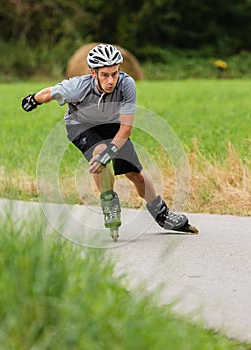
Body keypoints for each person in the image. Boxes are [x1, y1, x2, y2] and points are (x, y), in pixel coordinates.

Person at [22, 43, 197, 237]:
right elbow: (49, 93)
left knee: (135, 174)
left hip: (114, 126)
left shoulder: (127, 84)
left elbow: (126, 128)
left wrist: (111, 152)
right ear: (93, 73)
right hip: (81, 125)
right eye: (105, 75)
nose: (111, 80)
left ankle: (162, 214)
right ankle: (109, 202)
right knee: (99, 151)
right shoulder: (76, 88)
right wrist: (33, 100)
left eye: (114, 73)